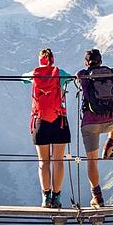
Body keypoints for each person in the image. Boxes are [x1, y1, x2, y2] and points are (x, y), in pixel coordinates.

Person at [22, 49, 74, 209]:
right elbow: (72, 78)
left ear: (40, 61)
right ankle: (56, 198)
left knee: (43, 162)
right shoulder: (61, 73)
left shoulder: (34, 74)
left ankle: (46, 197)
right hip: (59, 122)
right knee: (58, 161)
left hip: (40, 122)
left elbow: (22, 78)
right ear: (52, 60)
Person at [77, 49, 113, 208]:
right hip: (110, 120)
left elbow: (79, 77)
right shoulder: (111, 72)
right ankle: (109, 147)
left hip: (90, 124)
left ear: (86, 62)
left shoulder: (84, 74)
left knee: (92, 161)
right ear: (101, 61)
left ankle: (97, 197)